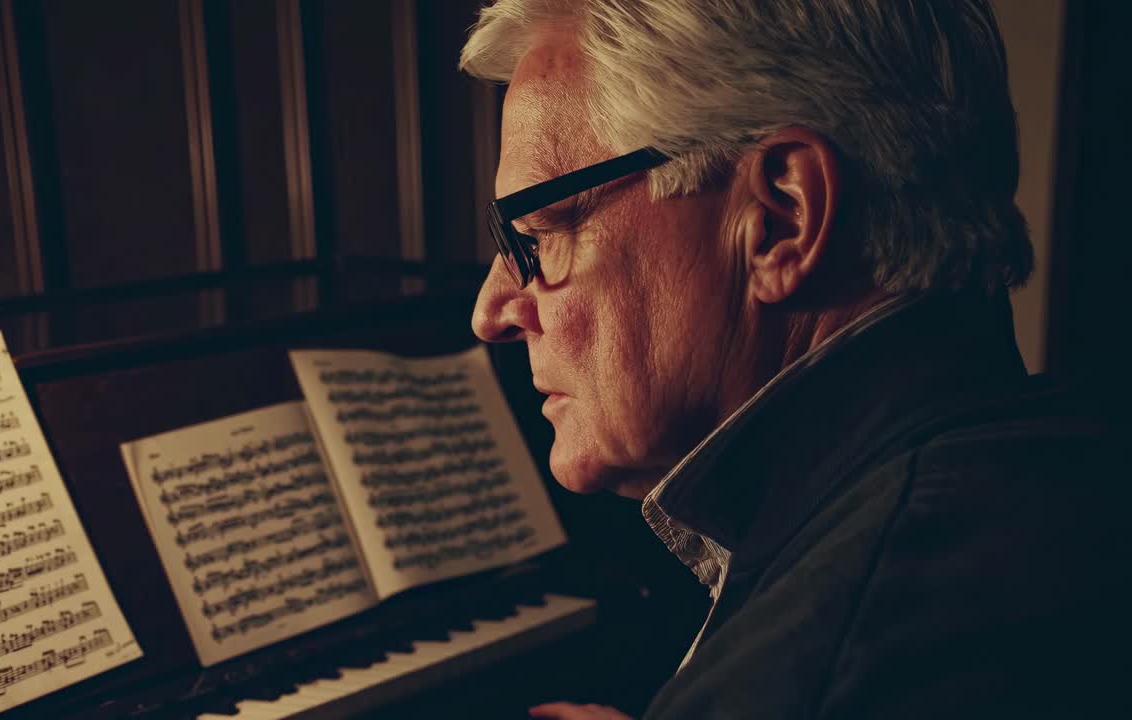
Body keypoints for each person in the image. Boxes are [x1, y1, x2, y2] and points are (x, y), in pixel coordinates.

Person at [460, 1, 1124, 718]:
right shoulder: (1065, 471)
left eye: (539, 235)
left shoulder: (821, 670)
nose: (490, 311)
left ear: (781, 218)